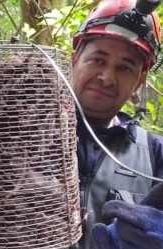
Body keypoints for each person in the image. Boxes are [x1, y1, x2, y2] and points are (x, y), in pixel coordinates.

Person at [70, 0, 163, 248]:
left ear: (140, 80)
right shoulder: (20, 129)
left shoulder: (155, 154)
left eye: (124, 68)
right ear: (74, 58)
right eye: (98, 60)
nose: (107, 78)